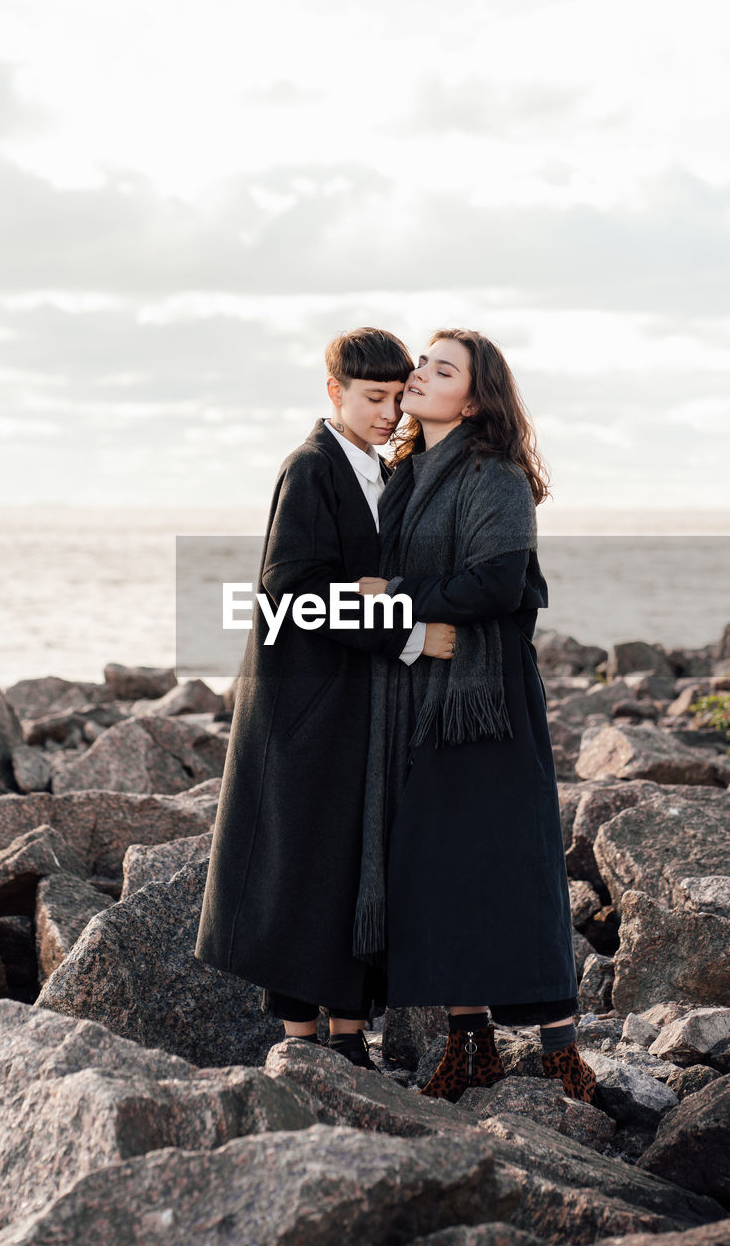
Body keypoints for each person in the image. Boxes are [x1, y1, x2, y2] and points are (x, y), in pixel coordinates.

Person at [195, 327, 456, 1069]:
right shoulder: (310, 469)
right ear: (334, 392)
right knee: (297, 865)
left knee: (353, 858)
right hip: (302, 707)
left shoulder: (380, 469)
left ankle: (348, 1032)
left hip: (355, 702)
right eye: (372, 399)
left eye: (394, 399)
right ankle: (302, 1045)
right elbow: (295, 591)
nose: (387, 414)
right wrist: (408, 637)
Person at [356, 327, 598, 1104]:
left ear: (475, 392)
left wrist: (395, 601)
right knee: (432, 865)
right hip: (415, 690)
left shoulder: (492, 474)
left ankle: (562, 1052)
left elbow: (496, 582)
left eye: (441, 368)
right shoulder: (398, 475)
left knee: (507, 865)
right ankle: (471, 1045)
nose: (420, 374)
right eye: (421, 363)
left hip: (484, 700)